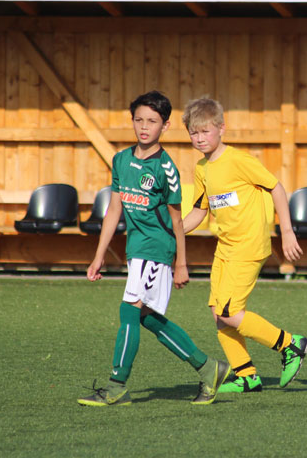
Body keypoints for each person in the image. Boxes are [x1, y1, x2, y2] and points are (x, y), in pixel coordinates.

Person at [78, 90, 230, 407]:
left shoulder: (166, 168)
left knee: (129, 310)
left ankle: (116, 387)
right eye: (139, 120)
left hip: (157, 248)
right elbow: (114, 210)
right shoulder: (121, 160)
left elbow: (177, 220)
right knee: (147, 317)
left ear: (165, 126)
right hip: (136, 248)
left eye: (152, 121)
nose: (144, 127)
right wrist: (98, 255)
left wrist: (181, 263)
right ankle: (209, 368)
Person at [181, 97, 307, 393]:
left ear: (221, 128)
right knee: (218, 313)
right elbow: (199, 211)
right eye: (193, 133)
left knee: (229, 312)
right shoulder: (202, 168)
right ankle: (247, 376)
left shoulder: (240, 161)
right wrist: (171, 232)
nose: (199, 138)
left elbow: (276, 188)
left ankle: (291, 344)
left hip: (249, 246)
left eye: (205, 131)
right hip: (225, 248)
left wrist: (286, 231)